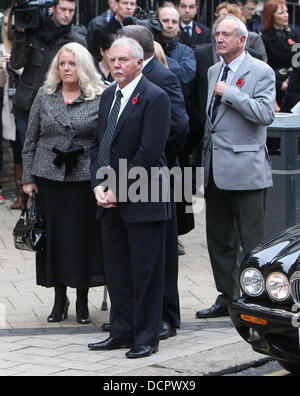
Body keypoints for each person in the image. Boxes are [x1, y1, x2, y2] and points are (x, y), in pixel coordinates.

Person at [88, 37, 171, 358]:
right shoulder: (109, 95)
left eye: (123, 60)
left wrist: (118, 189)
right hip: (108, 199)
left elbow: (149, 153)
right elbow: (99, 147)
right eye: (112, 59)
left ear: (139, 62)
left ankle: (146, 337)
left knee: (146, 271)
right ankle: (121, 330)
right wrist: (98, 185)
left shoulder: (155, 97)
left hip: (143, 198)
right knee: (117, 269)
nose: (116, 65)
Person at [195, 15, 275, 319]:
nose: (219, 39)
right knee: (218, 238)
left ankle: (261, 299)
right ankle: (227, 296)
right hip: (215, 169)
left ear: (242, 40)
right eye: (217, 34)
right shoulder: (214, 70)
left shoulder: (261, 71)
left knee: (252, 242)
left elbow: (265, 113)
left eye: (226, 35)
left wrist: (231, 93)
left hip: (246, 169)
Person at [22, 42, 106, 325]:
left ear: (83, 67)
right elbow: (30, 138)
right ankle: (60, 299)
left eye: (72, 64)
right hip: (50, 178)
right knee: (54, 241)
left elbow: (104, 142)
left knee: (82, 240)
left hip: (83, 180)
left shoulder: (99, 96)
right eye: (62, 64)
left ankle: (82, 300)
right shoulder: (45, 96)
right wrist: (27, 180)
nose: (67, 68)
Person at [118, 25, 189, 340]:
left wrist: (156, 156)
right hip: (126, 175)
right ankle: (137, 315)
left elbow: (179, 127)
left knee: (161, 253)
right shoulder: (124, 79)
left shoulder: (162, 77)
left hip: (157, 177)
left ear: (137, 52)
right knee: (134, 253)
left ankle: (166, 317)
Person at [10, 0, 87, 144]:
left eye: (71, 11)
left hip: (60, 111)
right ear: (53, 8)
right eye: (63, 9)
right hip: (28, 106)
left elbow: (83, 77)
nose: (67, 15)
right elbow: (16, 63)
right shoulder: (33, 33)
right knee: (28, 157)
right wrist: (21, 34)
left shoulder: (77, 41)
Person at [0, 8, 24, 209]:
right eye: (6, 25)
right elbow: (2, 84)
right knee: (16, 150)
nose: (10, 29)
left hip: (26, 104)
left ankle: (29, 194)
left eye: (13, 25)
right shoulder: (3, 48)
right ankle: (20, 195)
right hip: (11, 107)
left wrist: (14, 65)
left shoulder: (26, 46)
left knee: (27, 149)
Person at [261, 0, 300, 108]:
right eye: (281, 13)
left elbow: (298, 60)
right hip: (276, 85)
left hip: (294, 83)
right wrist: (280, 84)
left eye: (286, 11)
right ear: (271, 16)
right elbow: (265, 66)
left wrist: (293, 81)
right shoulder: (264, 39)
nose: (286, 15)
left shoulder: (294, 34)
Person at [156, 4, 196, 86]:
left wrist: (159, 55)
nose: (170, 25)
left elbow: (186, 75)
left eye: (174, 22)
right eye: (165, 21)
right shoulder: (147, 48)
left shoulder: (186, 51)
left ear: (178, 27)